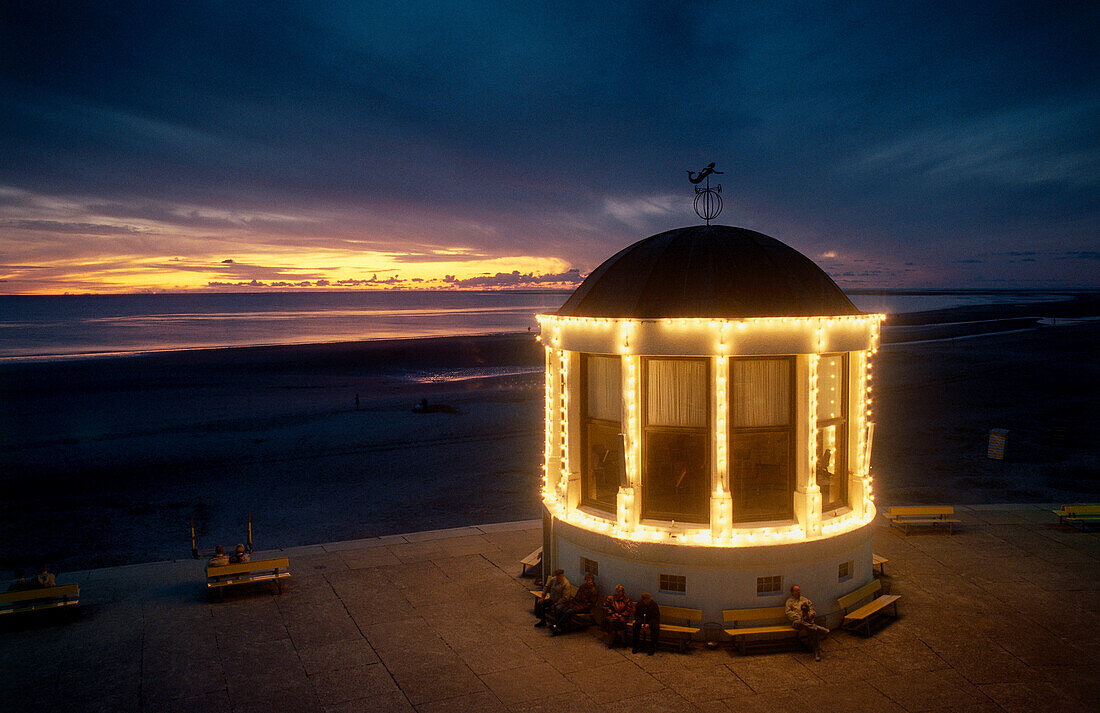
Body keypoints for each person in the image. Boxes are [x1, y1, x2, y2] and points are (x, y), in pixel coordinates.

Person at [785, 584, 830, 661]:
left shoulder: (805, 600)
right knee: (806, 625)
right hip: (797, 622)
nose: (798, 592)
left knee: (814, 631)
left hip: (808, 621)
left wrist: (810, 615)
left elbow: (812, 609)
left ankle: (817, 652)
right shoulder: (789, 601)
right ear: (792, 592)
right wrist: (799, 617)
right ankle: (819, 629)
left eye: (799, 590)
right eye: (796, 591)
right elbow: (788, 612)